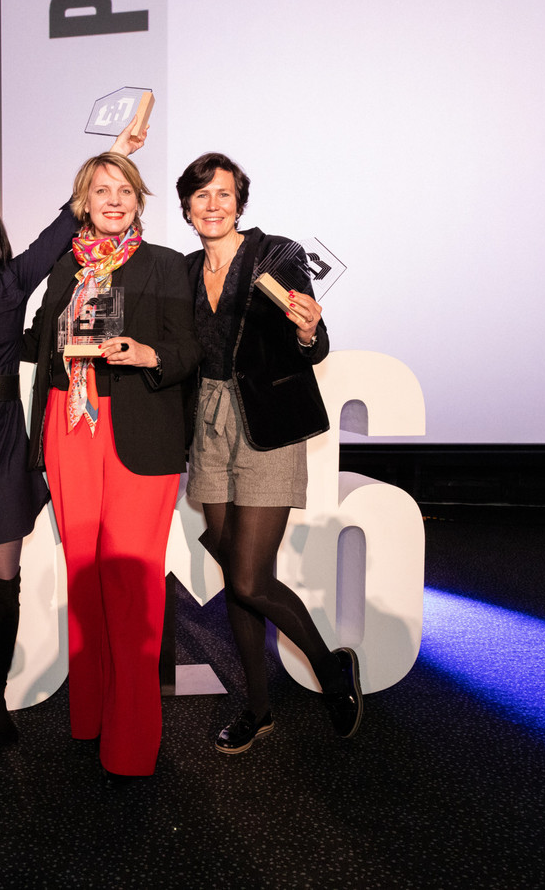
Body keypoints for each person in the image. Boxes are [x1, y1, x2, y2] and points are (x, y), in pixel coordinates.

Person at [0, 127, 147, 754]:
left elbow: (61, 228)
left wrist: (114, 153)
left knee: (2, 575)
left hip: (4, 444)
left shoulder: (14, 284)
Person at [174, 152, 362, 752]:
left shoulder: (277, 255)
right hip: (207, 424)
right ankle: (258, 708)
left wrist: (308, 329)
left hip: (267, 424)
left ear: (240, 203)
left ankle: (330, 670)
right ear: (186, 208)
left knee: (251, 578)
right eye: (202, 196)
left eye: (224, 194)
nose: (213, 205)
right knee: (237, 577)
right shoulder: (180, 271)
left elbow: (315, 342)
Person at [22, 152, 200, 783]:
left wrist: (146, 352)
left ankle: (130, 744)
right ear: (84, 200)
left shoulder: (168, 266)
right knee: (84, 577)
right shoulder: (66, 265)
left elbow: (189, 351)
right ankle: (89, 718)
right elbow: (39, 339)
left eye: (124, 189)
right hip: (68, 425)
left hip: (138, 434)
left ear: (140, 199)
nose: (114, 199)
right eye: (101, 190)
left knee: (132, 586)